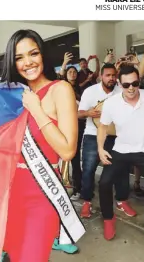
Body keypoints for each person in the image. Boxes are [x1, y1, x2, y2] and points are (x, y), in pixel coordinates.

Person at [0, 29, 79, 262]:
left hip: (41, 193)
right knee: (13, 255)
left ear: (43, 54)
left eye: (33, 53)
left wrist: (36, 109)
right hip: (10, 192)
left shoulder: (60, 89)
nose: (28, 62)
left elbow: (67, 150)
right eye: (19, 57)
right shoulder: (12, 95)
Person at [97, 65, 144, 251]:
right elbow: (103, 127)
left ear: (139, 81)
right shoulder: (111, 103)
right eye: (126, 85)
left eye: (135, 83)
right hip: (121, 150)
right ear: (119, 84)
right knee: (104, 182)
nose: (131, 88)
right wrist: (101, 149)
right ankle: (109, 219)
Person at [78, 63, 134, 218]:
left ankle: (122, 200)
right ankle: (87, 201)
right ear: (101, 76)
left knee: (121, 169)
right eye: (108, 75)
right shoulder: (90, 91)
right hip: (92, 134)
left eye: (113, 75)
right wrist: (88, 112)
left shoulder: (121, 91)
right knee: (88, 170)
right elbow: (78, 113)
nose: (111, 78)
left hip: (116, 136)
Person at [63, 66, 84, 201]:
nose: (73, 74)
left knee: (76, 157)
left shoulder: (81, 90)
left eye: (74, 72)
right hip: (65, 125)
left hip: (79, 125)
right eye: (70, 72)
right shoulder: (62, 88)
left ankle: (78, 187)